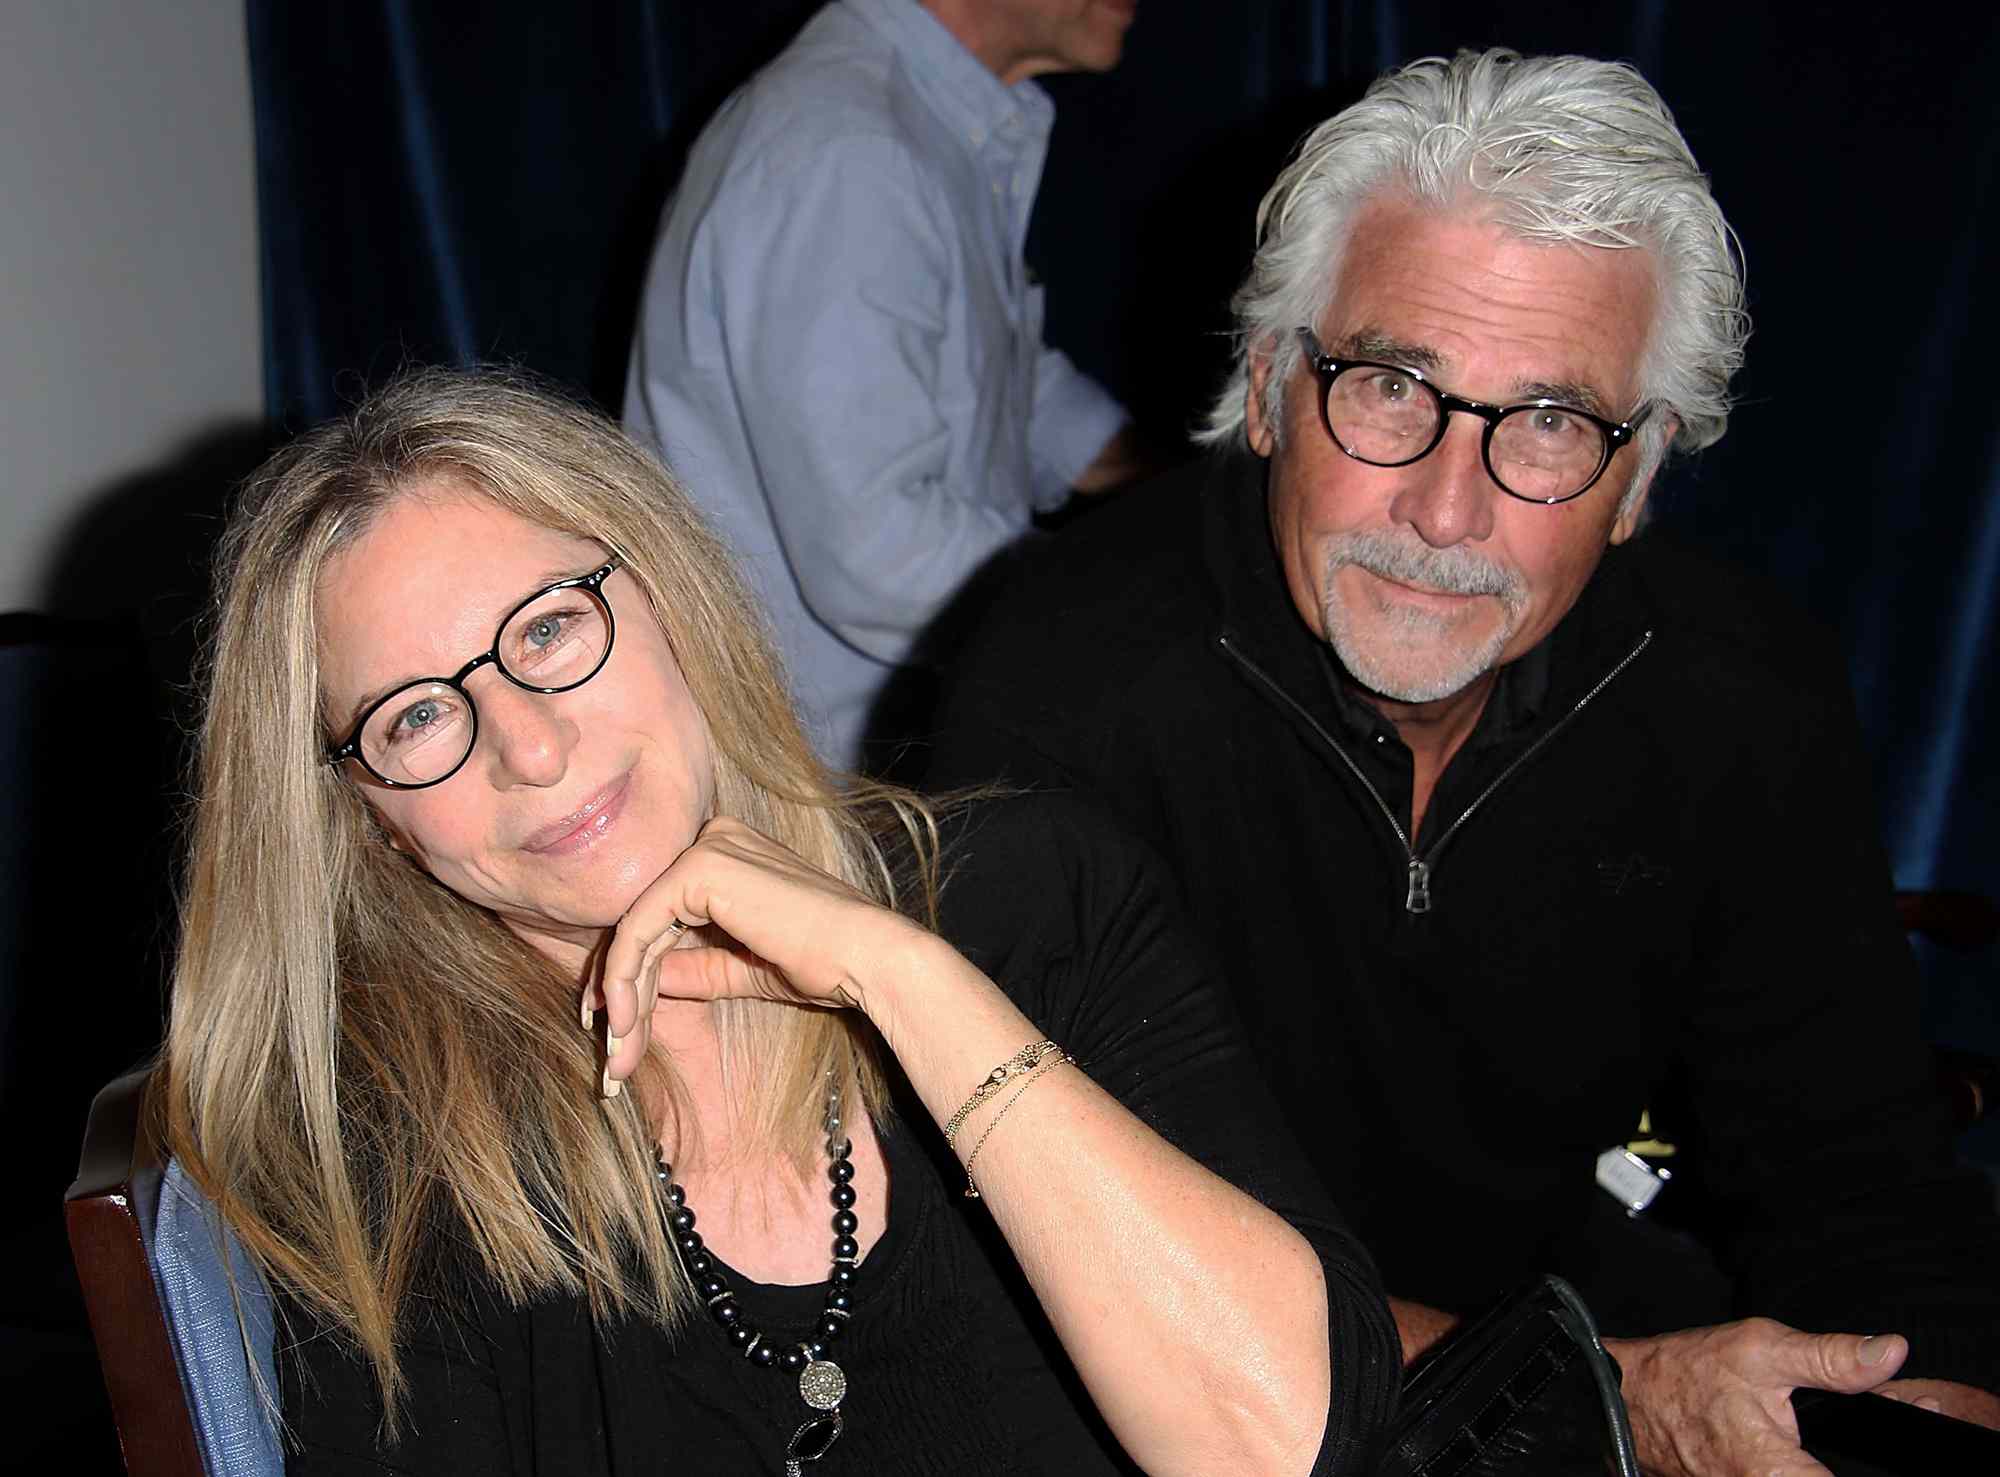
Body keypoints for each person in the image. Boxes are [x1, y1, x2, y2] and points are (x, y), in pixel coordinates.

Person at [926, 47, 2000, 1476]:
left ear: (1639, 479)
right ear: (1266, 391)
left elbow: (1859, 1183)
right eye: (1388, 387)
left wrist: (1925, 1410)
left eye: (1552, 424)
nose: (1444, 511)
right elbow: (1035, 1239)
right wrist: (1606, 1399)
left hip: (1547, 1332)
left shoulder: (1739, 693)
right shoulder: (1065, 685)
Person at [156, 368, 1396, 1476]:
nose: (528, 747)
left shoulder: (1032, 897)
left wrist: (898, 976)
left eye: (547, 629)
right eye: (415, 716)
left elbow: (1286, 1443)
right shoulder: (383, 1175)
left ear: (670, 602)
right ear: (369, 816)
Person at [624, 0, 1149, 774]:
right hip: (834, 792)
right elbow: (874, 548)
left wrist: (1178, 481)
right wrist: (1141, 605)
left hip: (864, 762)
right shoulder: (848, 146)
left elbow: (1003, 380)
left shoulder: (902, 120)